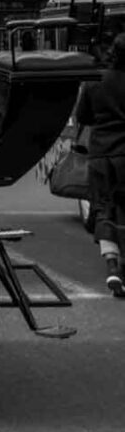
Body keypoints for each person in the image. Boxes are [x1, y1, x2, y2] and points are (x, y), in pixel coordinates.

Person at [73, 33, 125, 297]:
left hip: (102, 154)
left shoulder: (95, 82)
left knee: (103, 208)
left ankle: (112, 265)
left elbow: (83, 116)